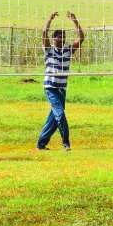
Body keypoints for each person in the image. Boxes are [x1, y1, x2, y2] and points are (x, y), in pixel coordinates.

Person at [37, 11, 85, 151]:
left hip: (62, 89)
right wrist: (49, 19)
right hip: (51, 88)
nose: (61, 39)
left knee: (53, 118)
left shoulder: (68, 50)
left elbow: (81, 38)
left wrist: (75, 20)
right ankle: (66, 143)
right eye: (58, 37)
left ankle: (41, 144)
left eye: (63, 37)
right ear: (54, 39)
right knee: (60, 114)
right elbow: (44, 33)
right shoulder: (48, 50)